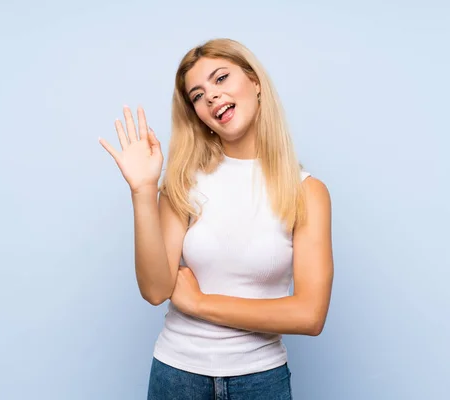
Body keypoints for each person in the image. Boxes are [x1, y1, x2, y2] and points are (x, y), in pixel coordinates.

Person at [99, 38, 334, 400]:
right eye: (197, 95)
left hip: (260, 380)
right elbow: (155, 289)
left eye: (221, 78)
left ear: (254, 81)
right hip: (176, 376)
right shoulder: (185, 181)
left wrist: (199, 304)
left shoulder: (306, 192)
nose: (210, 96)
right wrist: (144, 191)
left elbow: (310, 314)